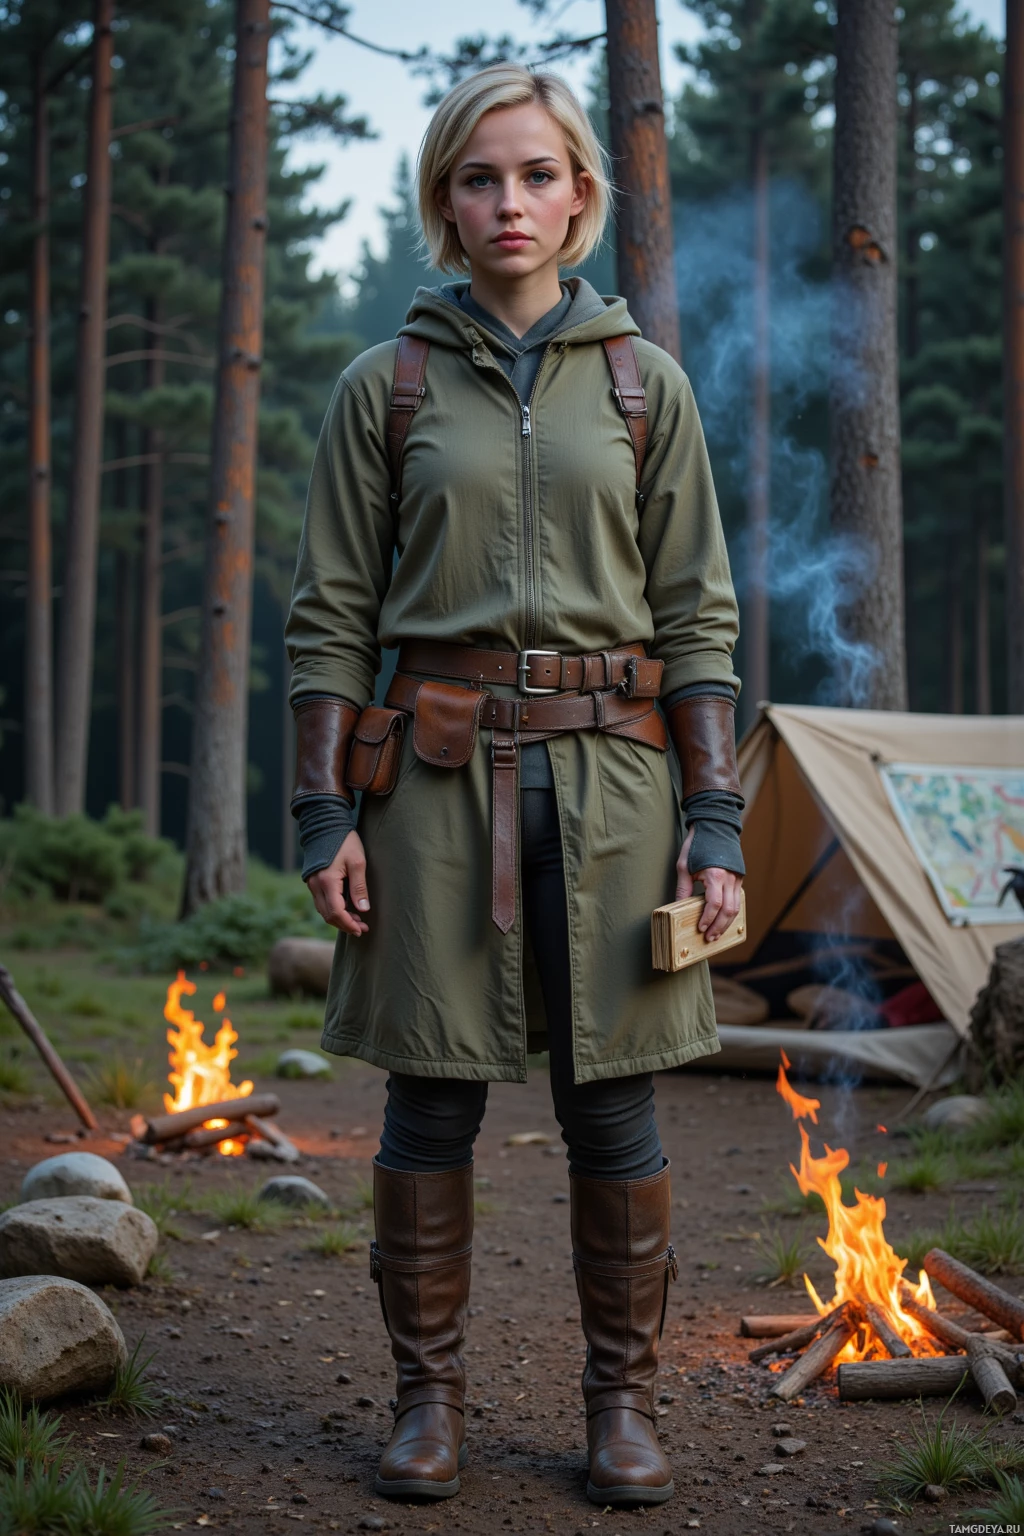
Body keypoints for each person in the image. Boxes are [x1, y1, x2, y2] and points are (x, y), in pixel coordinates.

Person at [285, 63, 744, 1510]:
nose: (510, 203)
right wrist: (320, 813)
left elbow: (700, 618)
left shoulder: (642, 383)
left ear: (582, 193)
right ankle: (428, 1403)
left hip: (619, 790)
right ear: (444, 200)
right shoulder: (389, 385)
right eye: (480, 178)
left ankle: (623, 1405)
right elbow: (328, 617)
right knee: (430, 1102)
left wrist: (717, 816)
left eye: (537, 175)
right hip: (430, 789)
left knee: (617, 1108)